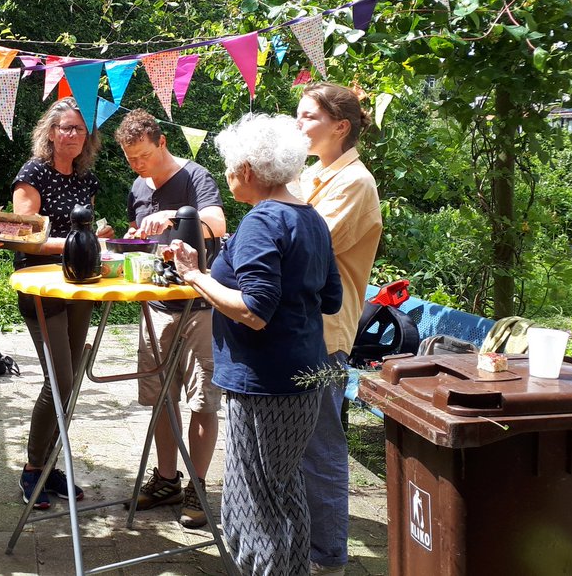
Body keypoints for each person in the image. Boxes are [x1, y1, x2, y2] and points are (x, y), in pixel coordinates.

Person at [170, 112, 342, 576]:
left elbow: (253, 310)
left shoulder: (262, 221)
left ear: (247, 169)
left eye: (229, 167)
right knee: (283, 490)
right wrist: (205, 272)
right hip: (305, 371)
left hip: (266, 382)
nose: (228, 177)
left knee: (259, 499)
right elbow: (331, 299)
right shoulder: (310, 219)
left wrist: (194, 276)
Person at [113, 109, 226, 528]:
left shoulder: (195, 177)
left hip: (199, 306)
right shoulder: (137, 187)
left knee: (202, 399)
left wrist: (177, 215)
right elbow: (138, 237)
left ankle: (197, 485)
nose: (138, 166)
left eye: (143, 156)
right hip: (155, 305)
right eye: (131, 159)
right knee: (160, 397)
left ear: (162, 142)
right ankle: (166, 479)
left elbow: (217, 222)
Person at [293, 83, 382, 576]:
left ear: (340, 126)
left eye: (308, 117)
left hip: (325, 334)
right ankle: (306, 542)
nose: (298, 125)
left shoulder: (355, 183)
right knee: (301, 441)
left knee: (322, 442)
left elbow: (303, 247)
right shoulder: (311, 174)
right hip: (297, 328)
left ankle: (329, 558)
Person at [11, 98, 114, 510]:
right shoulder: (33, 172)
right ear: (50, 132)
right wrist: (81, 243)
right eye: (65, 128)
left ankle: (51, 466)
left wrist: (96, 232)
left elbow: (82, 225)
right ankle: (33, 469)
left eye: (79, 129)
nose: (72, 135)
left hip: (80, 288)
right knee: (61, 380)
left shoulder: (85, 178)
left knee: (69, 383)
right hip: (42, 287)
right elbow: (21, 232)